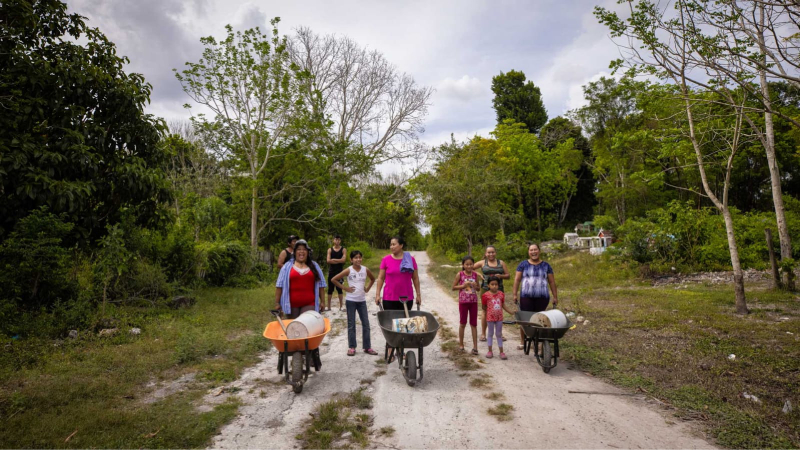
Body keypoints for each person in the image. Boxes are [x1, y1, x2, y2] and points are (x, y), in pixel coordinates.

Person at [331, 250, 378, 356]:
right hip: (351, 301)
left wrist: (367, 289)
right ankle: (352, 347)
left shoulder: (365, 269)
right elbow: (334, 279)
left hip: (362, 301)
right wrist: (345, 288)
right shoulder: (349, 270)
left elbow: (372, 279)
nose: (358, 259)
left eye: (360, 257)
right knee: (351, 325)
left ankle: (367, 347)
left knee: (366, 324)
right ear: (351, 260)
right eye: (355, 258)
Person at [512, 243, 558, 350]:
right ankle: (523, 341)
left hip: (542, 297)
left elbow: (551, 282)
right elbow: (517, 280)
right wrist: (514, 294)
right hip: (526, 296)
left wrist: (555, 296)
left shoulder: (546, 266)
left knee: (540, 320)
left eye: (535, 250)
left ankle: (538, 341)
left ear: (539, 251)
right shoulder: (523, 264)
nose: (533, 252)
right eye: (531, 250)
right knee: (525, 319)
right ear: (528, 252)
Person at [274, 240, 326, 319]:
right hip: (291, 305)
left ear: (308, 252)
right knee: (294, 328)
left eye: (304, 249)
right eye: (299, 249)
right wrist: (277, 303)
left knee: (306, 326)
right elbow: (279, 285)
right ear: (294, 252)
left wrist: (322, 301)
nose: (301, 251)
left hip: (309, 303)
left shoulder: (314, 266)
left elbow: (321, 285)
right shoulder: (287, 267)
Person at [472, 246, 510, 342]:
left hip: (499, 290)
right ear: (485, 254)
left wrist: (501, 276)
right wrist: (479, 274)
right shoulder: (482, 263)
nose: (491, 254)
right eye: (489, 252)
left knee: (498, 310)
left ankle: (499, 334)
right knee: (485, 310)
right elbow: (468, 268)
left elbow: (508, 275)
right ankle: (483, 334)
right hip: (485, 289)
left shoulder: (501, 263)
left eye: (492, 252)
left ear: (495, 253)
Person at [374, 236, 421, 311]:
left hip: (406, 298)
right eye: (391, 245)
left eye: (394, 244)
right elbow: (380, 278)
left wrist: (418, 295)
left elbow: (415, 278)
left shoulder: (410, 260)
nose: (391, 247)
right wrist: (377, 295)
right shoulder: (386, 260)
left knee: (405, 321)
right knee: (389, 322)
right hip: (389, 298)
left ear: (401, 245)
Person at [452, 255, 483, 355]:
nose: (469, 266)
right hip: (463, 302)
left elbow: (478, 289)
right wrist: (463, 286)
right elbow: (453, 287)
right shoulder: (460, 274)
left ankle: (475, 347)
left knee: (474, 324)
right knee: (462, 323)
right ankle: (461, 345)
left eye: (471, 264)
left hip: (473, 302)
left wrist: (476, 286)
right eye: (467, 264)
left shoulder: (475, 275)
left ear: (473, 265)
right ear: (463, 265)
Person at [481, 276, 515, 360]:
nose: (494, 286)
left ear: (498, 285)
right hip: (490, 318)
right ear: (488, 285)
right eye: (492, 284)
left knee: (499, 334)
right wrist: (489, 313)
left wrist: (510, 312)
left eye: (496, 284)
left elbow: (503, 305)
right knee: (490, 334)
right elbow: (484, 307)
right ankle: (490, 351)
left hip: (499, 318)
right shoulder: (485, 295)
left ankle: (501, 352)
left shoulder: (501, 294)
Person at [326, 235, 348, 311]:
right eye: (336, 239)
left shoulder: (343, 249)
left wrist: (334, 260)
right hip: (331, 271)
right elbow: (328, 261)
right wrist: (339, 260)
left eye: (339, 240)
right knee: (330, 289)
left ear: (340, 241)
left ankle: (341, 306)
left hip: (340, 272)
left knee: (340, 288)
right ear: (333, 240)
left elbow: (343, 260)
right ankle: (328, 307)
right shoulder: (330, 250)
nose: (337, 241)